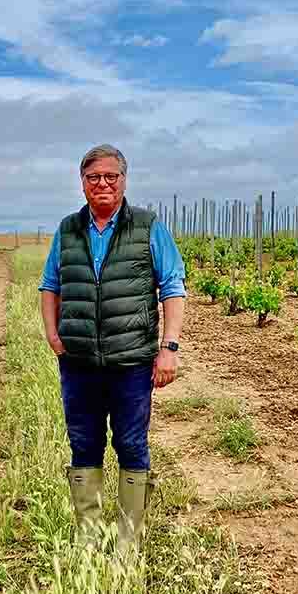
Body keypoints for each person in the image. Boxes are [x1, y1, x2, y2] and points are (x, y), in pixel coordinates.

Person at [38, 144, 186, 553]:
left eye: (111, 176)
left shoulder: (148, 226)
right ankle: (88, 535)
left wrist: (168, 347)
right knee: (83, 442)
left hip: (132, 362)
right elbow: (51, 285)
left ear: (124, 180)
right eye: (93, 177)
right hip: (80, 362)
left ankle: (127, 541)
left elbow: (172, 287)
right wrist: (52, 333)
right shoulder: (67, 229)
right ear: (82, 183)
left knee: (131, 443)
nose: (102, 184)